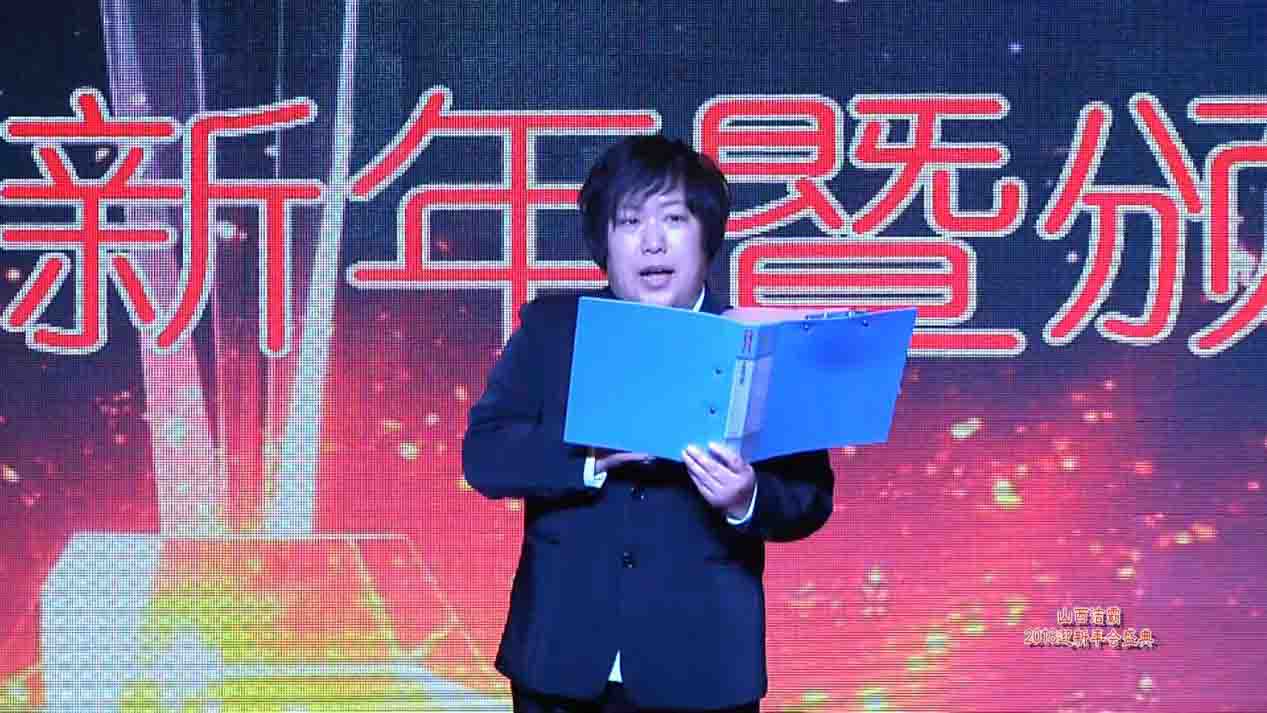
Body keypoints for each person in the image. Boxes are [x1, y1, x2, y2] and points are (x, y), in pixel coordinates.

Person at [461, 135, 836, 712]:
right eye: (630, 221)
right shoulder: (552, 330)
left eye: (674, 219)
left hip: (703, 671)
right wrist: (586, 460)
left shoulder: (758, 344)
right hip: (558, 663)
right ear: (603, 242)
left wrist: (745, 498)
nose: (652, 241)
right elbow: (484, 456)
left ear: (707, 236)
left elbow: (810, 498)